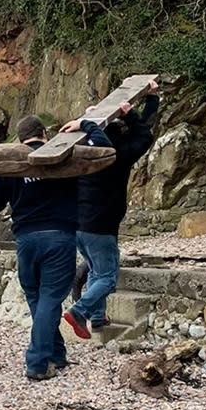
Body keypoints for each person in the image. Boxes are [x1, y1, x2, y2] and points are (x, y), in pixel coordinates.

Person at [0, 114, 111, 381]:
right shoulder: (66, 156)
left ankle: (56, 353)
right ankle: (37, 363)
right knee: (51, 300)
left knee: (38, 300)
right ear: (44, 133)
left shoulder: (11, 163)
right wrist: (86, 126)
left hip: (26, 241)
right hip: (58, 238)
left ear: (21, 138)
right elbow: (103, 151)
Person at [64, 84, 161, 340]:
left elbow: (142, 130)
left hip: (80, 226)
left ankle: (98, 316)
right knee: (107, 277)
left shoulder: (82, 153)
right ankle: (78, 312)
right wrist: (125, 115)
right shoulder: (114, 156)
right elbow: (143, 136)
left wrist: (150, 99)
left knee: (96, 271)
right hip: (101, 226)